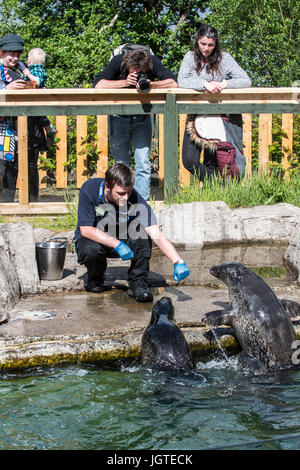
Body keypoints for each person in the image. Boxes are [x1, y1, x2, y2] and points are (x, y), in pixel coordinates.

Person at [75, 162, 190, 302]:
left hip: (121, 237)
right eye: (121, 193)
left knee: (142, 234)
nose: (126, 197)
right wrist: (116, 244)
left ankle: (138, 283)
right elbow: (86, 230)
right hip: (95, 239)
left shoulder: (134, 199)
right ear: (107, 186)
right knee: (90, 250)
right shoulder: (90, 189)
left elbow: (156, 234)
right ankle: (95, 278)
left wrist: (177, 261)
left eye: (129, 192)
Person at [93, 48, 178, 200]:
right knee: (121, 165)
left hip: (142, 117)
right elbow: (98, 84)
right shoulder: (118, 61)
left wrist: (152, 85)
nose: (138, 73)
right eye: (134, 70)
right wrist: (125, 82)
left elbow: (173, 82)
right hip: (118, 116)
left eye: (141, 70)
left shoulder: (152, 61)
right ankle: (121, 202)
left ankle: (141, 203)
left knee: (143, 163)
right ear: (127, 64)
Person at [178, 24, 251, 181]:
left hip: (218, 117)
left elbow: (246, 80)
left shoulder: (225, 58)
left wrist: (222, 85)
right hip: (195, 115)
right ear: (197, 40)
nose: (206, 48)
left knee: (212, 162)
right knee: (189, 160)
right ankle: (219, 184)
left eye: (211, 45)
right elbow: (182, 81)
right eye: (203, 44)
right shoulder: (190, 57)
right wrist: (204, 84)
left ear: (216, 44)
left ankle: (213, 196)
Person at [0, 34, 51, 202]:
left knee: (30, 165)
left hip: (30, 126)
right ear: (1, 53)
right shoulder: (3, 72)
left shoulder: (21, 71)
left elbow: (34, 87)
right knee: (9, 166)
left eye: (17, 54)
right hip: (8, 127)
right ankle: (6, 203)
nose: (15, 57)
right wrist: (8, 89)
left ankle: (32, 203)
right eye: (10, 54)